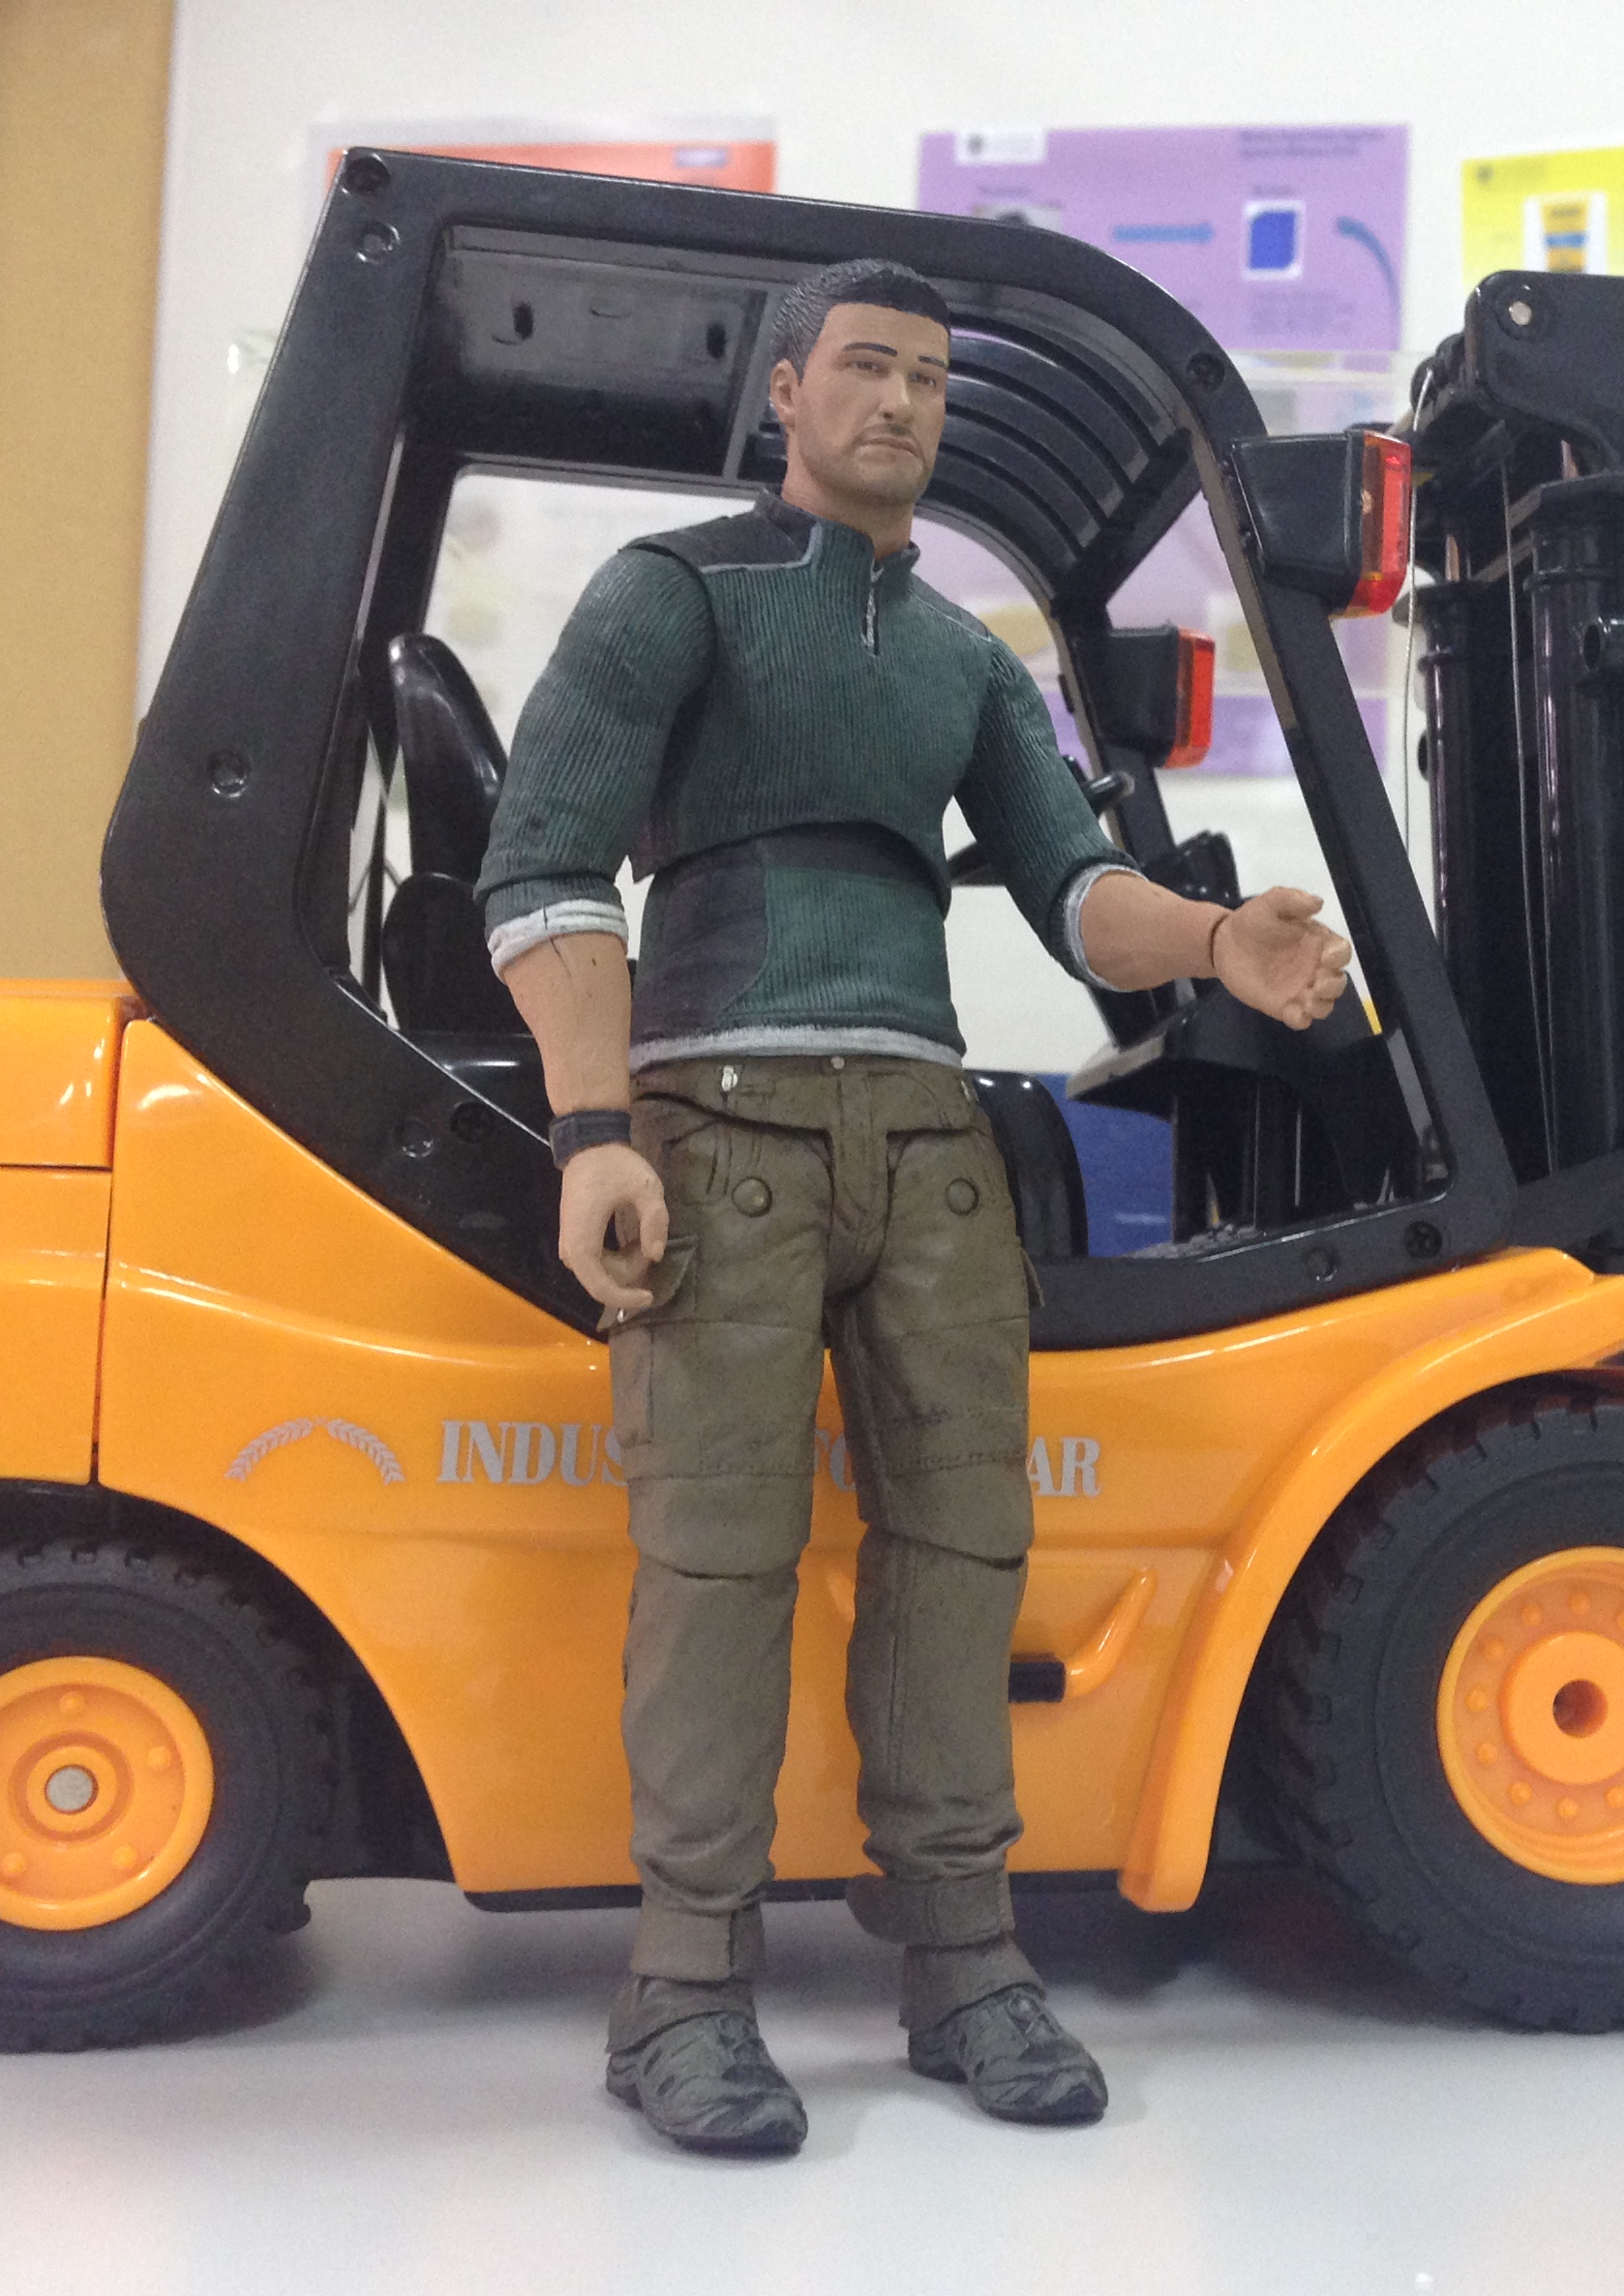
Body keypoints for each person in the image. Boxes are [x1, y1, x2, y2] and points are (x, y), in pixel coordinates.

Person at [477, 257, 1351, 2157]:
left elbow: (1075, 887)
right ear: (787, 392)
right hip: (717, 1131)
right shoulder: (673, 595)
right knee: (716, 1562)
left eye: (930, 379)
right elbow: (544, 865)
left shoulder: (962, 659)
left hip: (927, 1142)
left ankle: (965, 1964)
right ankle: (680, 1991)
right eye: (867, 367)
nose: (903, 403)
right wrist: (591, 1127)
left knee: (962, 1547)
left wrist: (1219, 938)